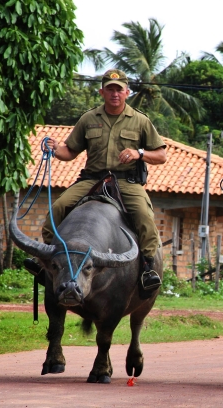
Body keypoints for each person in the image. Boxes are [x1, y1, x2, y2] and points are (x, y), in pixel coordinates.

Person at [24, 69, 167, 291]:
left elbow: (161, 155)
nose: (114, 94)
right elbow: (69, 152)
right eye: (110, 89)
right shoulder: (88, 119)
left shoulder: (140, 121)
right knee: (58, 208)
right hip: (92, 179)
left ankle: (148, 268)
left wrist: (139, 153)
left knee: (144, 218)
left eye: (119, 90)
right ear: (102, 92)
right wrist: (55, 149)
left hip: (126, 181)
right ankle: (46, 262)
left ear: (127, 92)